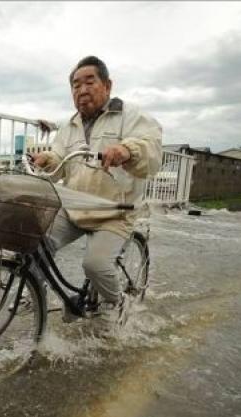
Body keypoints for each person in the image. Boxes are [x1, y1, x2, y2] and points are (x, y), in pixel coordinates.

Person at [31, 55, 162, 322]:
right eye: (76, 85)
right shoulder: (70, 125)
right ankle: (38, 305)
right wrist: (48, 160)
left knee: (95, 265)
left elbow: (151, 151)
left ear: (108, 85)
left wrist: (127, 150)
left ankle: (119, 303)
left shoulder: (131, 115)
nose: (82, 90)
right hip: (75, 206)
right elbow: (60, 160)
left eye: (89, 82)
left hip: (115, 210)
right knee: (34, 245)